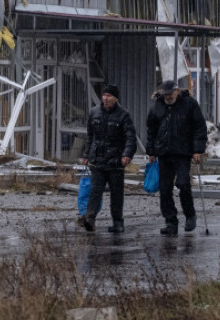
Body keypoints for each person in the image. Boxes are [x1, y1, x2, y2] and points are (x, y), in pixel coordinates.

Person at [146, 79, 207, 236]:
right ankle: (171, 221)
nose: (167, 97)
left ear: (177, 91)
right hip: (164, 153)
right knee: (165, 189)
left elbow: (199, 128)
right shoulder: (158, 106)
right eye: (165, 94)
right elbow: (151, 130)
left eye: (170, 93)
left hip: (182, 153)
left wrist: (198, 150)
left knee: (182, 183)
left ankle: (190, 215)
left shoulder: (189, 104)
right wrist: (151, 151)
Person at [81, 84, 136, 233]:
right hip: (97, 160)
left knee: (116, 194)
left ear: (115, 98)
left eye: (109, 96)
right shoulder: (94, 112)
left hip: (116, 161)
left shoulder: (123, 115)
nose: (105, 98)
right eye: (104, 95)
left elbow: (130, 137)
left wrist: (127, 154)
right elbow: (90, 136)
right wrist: (86, 155)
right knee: (95, 190)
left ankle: (118, 222)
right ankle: (90, 218)